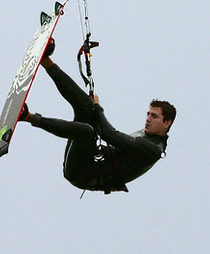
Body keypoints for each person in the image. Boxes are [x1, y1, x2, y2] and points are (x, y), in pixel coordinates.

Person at [20, 38, 176, 193]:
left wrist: (98, 107)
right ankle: (45, 60)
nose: (148, 119)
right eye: (148, 114)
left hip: (84, 174)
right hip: (88, 157)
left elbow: (107, 133)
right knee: (86, 107)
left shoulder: (152, 149)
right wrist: (94, 107)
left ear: (167, 123)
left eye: (154, 116)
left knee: (87, 131)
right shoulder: (148, 137)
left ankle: (27, 116)